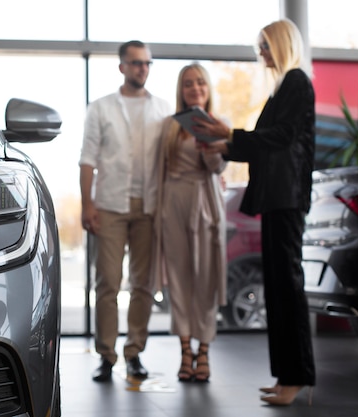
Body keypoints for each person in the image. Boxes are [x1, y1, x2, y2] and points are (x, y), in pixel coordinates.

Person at [197, 18, 316, 405]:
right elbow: (262, 144)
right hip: (276, 199)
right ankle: (285, 377)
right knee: (278, 289)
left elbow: (280, 138)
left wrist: (228, 136)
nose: (260, 53)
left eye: (265, 45)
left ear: (281, 45)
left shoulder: (297, 82)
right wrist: (224, 145)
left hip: (288, 199)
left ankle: (295, 378)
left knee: (288, 288)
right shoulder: (283, 88)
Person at [79, 40, 171, 382]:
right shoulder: (100, 108)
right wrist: (87, 203)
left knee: (144, 285)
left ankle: (134, 353)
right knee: (108, 283)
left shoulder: (163, 109)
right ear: (122, 67)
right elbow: (87, 158)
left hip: (149, 207)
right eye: (135, 63)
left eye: (146, 63)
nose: (142, 68)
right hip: (110, 205)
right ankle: (106, 354)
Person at [153, 62, 227, 383]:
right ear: (181, 91)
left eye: (200, 83)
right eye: (188, 84)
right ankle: (186, 351)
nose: (195, 88)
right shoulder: (169, 126)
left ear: (208, 88)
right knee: (180, 281)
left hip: (206, 204)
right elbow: (160, 170)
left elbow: (218, 169)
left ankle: (205, 351)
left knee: (207, 282)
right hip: (174, 204)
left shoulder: (219, 125)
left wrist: (210, 147)